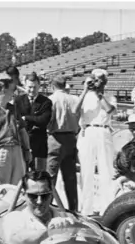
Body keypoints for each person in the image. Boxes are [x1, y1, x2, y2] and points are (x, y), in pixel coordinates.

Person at [0, 172, 79, 244]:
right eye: (33, 196)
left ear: (51, 195)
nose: (39, 201)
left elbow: (87, 239)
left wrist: (72, 225)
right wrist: (49, 231)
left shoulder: (66, 217)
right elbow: (19, 237)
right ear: (24, 195)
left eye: (44, 196)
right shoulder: (14, 218)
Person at [73, 68, 118, 216]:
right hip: (88, 131)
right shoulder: (85, 96)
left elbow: (109, 110)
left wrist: (100, 94)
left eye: (99, 79)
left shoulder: (109, 97)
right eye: (94, 79)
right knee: (86, 171)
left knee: (106, 169)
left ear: (105, 81)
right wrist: (85, 90)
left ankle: (107, 206)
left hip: (103, 131)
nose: (96, 82)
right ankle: (86, 208)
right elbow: (74, 110)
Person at [46, 75, 82, 212]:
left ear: (52, 86)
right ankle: (74, 209)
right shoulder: (74, 99)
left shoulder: (50, 100)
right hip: (71, 138)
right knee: (70, 178)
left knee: (51, 177)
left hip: (55, 138)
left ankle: (48, 207)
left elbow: (48, 121)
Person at [21, 72, 52, 172]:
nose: (32, 90)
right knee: (22, 175)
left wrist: (26, 118)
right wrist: (35, 120)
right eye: (29, 87)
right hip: (22, 144)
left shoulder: (46, 102)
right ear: (25, 86)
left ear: (39, 86)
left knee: (40, 175)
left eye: (34, 87)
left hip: (39, 144)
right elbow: (17, 120)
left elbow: (43, 121)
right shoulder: (18, 100)